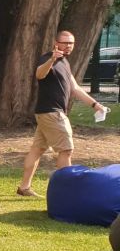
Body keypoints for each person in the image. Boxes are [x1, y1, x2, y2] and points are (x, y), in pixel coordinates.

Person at [17, 29, 106, 197]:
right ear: (56, 43)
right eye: (65, 43)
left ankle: (24, 188)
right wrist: (52, 59)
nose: (68, 46)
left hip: (47, 114)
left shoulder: (64, 62)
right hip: (52, 113)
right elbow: (39, 74)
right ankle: (68, 192)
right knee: (66, 150)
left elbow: (75, 88)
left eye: (71, 43)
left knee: (37, 150)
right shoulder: (48, 58)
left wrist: (95, 105)